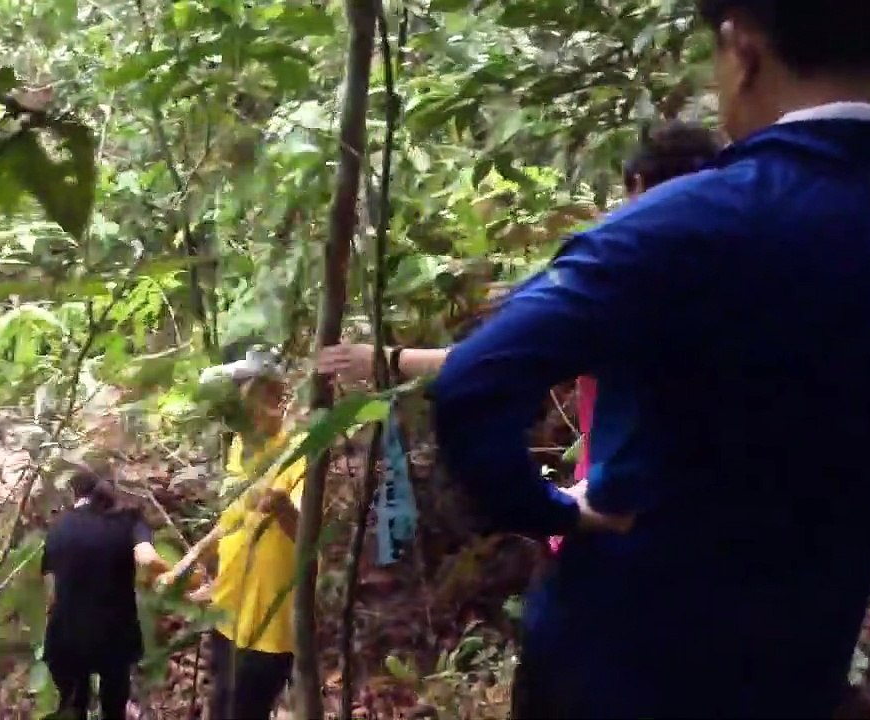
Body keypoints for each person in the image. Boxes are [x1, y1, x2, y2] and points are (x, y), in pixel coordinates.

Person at [430, 1, 870, 717]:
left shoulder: (682, 225)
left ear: (742, 51)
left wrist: (550, 510)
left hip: (616, 664)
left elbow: (475, 382)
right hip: (796, 669)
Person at [318, 120, 722, 492]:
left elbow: (489, 361)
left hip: (629, 507)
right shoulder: (747, 262)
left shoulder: (620, 280)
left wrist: (387, 358)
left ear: (636, 186)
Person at [161, 349, 305, 720]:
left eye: (242, 390)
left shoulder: (300, 452)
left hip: (268, 626)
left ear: (268, 395)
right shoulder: (241, 447)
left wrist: (279, 504)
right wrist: (191, 560)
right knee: (219, 706)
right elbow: (231, 519)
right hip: (227, 614)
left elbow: (309, 536)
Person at [40, 460, 170, 720]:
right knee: (114, 707)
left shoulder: (58, 529)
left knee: (74, 705)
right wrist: (184, 578)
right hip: (114, 636)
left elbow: (51, 593)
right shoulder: (129, 521)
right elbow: (147, 558)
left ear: (74, 492)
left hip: (67, 635)